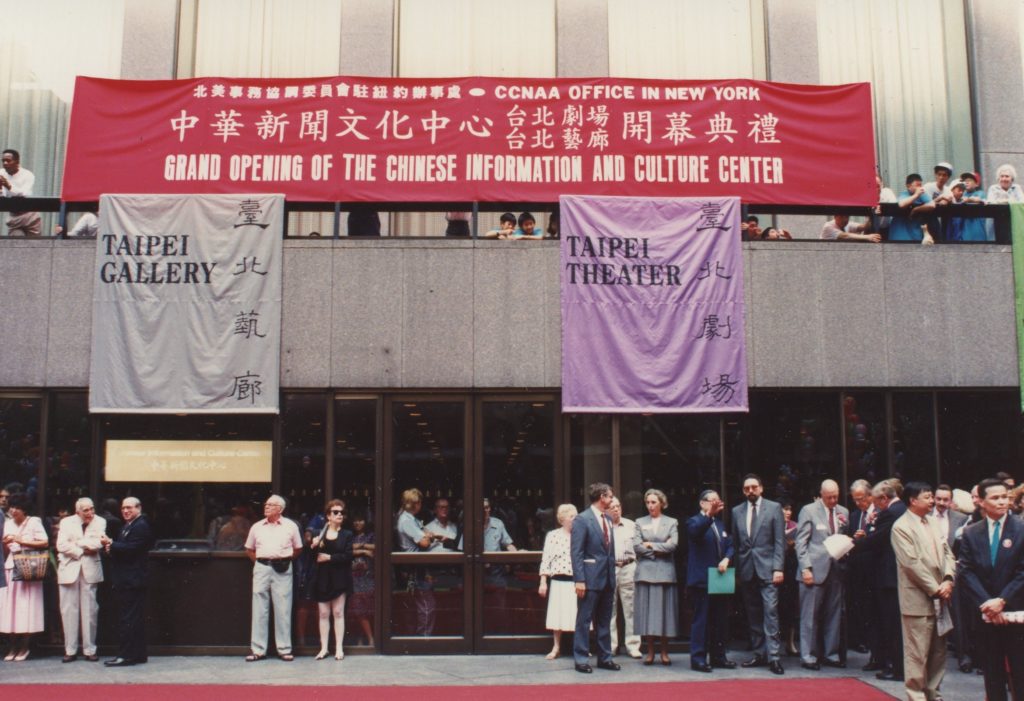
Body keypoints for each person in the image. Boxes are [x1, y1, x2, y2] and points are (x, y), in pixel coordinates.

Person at [958, 478, 1024, 701]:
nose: (1001, 502)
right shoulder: (971, 532)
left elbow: (1022, 572)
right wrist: (988, 604)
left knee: (1020, 672)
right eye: (995, 498)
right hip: (986, 613)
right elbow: (966, 571)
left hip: (1016, 611)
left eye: (1005, 497)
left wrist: (1002, 600)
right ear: (982, 503)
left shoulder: (1021, 528)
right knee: (992, 674)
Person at [891, 481, 956, 701]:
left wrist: (948, 579)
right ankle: (916, 697)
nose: (932, 501)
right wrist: (936, 589)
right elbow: (911, 564)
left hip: (941, 596)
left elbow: (948, 553)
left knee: (938, 653)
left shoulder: (933, 523)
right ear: (913, 500)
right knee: (917, 655)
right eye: (927, 497)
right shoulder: (901, 527)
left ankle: (933, 695)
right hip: (918, 600)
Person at [731, 473, 786, 675]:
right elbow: (736, 545)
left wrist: (778, 568)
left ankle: (774, 657)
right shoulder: (737, 511)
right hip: (747, 570)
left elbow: (779, 541)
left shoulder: (773, 508)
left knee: (770, 612)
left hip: (769, 569)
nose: (750, 491)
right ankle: (759, 653)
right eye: (747, 488)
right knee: (753, 614)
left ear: (761, 488)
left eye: (754, 487)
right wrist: (737, 571)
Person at [852, 480, 908, 681]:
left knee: (891, 625)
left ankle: (897, 669)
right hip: (889, 575)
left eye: (877, 501)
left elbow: (877, 539)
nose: (875, 505)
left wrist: (855, 543)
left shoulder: (891, 512)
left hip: (888, 576)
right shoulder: (900, 509)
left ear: (884, 498)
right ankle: (894, 665)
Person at [795, 479, 848, 670]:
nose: (833, 500)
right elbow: (801, 543)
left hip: (836, 569)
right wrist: (805, 568)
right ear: (821, 494)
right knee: (810, 615)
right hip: (814, 569)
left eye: (835, 496)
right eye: (829, 497)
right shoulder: (808, 510)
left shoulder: (843, 512)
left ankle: (831, 654)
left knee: (833, 614)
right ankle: (808, 655)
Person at [243, 494, 302, 662]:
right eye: (266, 504)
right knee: (259, 608)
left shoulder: (290, 526)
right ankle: (258, 650)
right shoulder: (257, 527)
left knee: (283, 608)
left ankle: (284, 649)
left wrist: (284, 560)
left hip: (282, 569)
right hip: (262, 567)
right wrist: (261, 563)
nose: (266, 507)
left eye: (271, 504)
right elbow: (249, 549)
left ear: (280, 509)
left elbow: (298, 548)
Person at [570, 482, 619, 674]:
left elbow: (609, 551)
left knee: (604, 621)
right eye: (610, 496)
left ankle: (605, 658)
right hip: (589, 579)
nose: (612, 499)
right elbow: (576, 552)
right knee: (584, 619)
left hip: (607, 578)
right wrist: (579, 580)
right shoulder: (582, 519)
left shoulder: (607, 518)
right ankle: (581, 659)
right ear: (601, 497)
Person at [99, 496, 153, 667]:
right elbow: (125, 548)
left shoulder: (140, 526)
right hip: (128, 579)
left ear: (139, 508)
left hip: (132, 580)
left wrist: (111, 544)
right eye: (123, 508)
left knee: (128, 619)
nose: (125, 511)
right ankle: (137, 654)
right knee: (132, 618)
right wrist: (112, 547)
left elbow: (132, 548)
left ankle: (126, 655)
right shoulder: (129, 526)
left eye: (129, 507)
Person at [686, 489, 734, 673]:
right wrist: (708, 515)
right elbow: (695, 533)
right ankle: (698, 659)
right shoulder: (695, 521)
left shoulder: (721, 524)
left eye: (717, 501)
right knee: (702, 620)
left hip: (720, 578)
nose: (715, 504)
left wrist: (727, 558)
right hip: (702, 579)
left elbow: (730, 544)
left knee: (720, 619)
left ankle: (719, 656)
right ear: (702, 503)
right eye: (711, 501)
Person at [56, 497, 106, 663]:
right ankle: (70, 650)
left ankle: (90, 649)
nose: (90, 513)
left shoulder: (100, 521)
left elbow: (98, 543)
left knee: (90, 611)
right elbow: (61, 545)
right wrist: (82, 549)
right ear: (77, 511)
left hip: (90, 570)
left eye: (92, 509)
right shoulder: (66, 522)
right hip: (69, 569)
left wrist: (77, 543)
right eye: (86, 510)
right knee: (68, 610)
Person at [633, 488, 679, 666]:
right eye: (648, 502)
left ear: (662, 503)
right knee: (648, 614)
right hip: (645, 573)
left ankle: (664, 652)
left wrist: (650, 545)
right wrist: (659, 549)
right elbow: (637, 546)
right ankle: (650, 651)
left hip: (665, 574)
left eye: (654, 502)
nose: (650, 506)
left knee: (664, 614)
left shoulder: (671, 522)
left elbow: (673, 545)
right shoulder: (639, 522)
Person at [0, 493, 47, 660]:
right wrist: (6, 543)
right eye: (11, 507)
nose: (13, 510)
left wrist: (20, 541)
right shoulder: (7, 523)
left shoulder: (34, 521)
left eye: (17, 507)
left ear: (24, 509)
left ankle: (24, 647)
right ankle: (12, 647)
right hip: (11, 567)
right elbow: (5, 549)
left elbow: (44, 542)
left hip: (28, 569)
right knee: (10, 610)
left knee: (26, 609)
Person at [307, 499, 353, 661]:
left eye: (342, 512)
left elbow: (348, 556)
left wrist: (329, 557)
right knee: (324, 613)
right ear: (328, 516)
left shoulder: (347, 534)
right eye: (335, 512)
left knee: (338, 613)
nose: (339, 514)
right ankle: (324, 648)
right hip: (323, 577)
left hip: (340, 577)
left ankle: (339, 648)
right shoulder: (319, 534)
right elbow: (312, 557)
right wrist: (313, 546)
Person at [538, 503, 578, 660]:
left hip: (576, 581)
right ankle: (556, 647)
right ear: (562, 519)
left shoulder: (580, 535)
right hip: (558, 580)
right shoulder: (553, 536)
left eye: (576, 516)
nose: (574, 519)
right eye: (571, 516)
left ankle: (580, 647)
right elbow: (546, 559)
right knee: (557, 615)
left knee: (577, 614)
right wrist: (543, 582)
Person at [395, 488, 436, 636]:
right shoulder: (406, 521)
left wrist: (426, 535)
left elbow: (425, 533)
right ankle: (424, 639)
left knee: (421, 604)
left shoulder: (410, 519)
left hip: (417, 566)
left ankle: (421, 636)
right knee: (426, 605)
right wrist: (428, 536)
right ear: (416, 504)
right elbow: (424, 542)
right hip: (416, 566)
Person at [608, 497, 641, 659]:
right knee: (609, 609)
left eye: (618, 506)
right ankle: (611, 645)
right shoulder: (603, 526)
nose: (616, 509)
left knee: (631, 608)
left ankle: (633, 645)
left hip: (629, 567)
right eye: (612, 507)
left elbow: (640, 547)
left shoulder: (631, 525)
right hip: (610, 569)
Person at [847, 479, 877, 659]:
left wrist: (867, 537)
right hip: (857, 568)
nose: (859, 503)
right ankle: (859, 640)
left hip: (873, 568)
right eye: (855, 500)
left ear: (870, 495)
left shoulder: (879, 514)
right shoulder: (854, 516)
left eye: (861, 499)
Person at [0, 149, 41, 237]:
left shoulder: (27, 175)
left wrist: (8, 186)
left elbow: (24, 193)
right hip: (14, 216)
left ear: (17, 161)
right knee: (16, 243)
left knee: (35, 245)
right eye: (3, 161)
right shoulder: (1, 173)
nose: (5, 163)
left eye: (8, 161)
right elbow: (3, 195)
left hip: (30, 215)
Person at [349, 512, 375, 647]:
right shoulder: (350, 536)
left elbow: (377, 547)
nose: (357, 523)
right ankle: (366, 638)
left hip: (368, 576)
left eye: (360, 520)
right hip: (354, 577)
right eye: (355, 521)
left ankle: (367, 638)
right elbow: (347, 549)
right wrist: (364, 550)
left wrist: (357, 547)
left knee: (366, 608)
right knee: (358, 609)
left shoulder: (371, 535)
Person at [889, 173, 936, 244]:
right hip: (901, 231)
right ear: (908, 186)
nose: (920, 188)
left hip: (914, 231)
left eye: (920, 185)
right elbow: (901, 204)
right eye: (917, 185)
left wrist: (916, 209)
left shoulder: (922, 194)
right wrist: (916, 195)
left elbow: (932, 205)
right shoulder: (905, 194)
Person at [779, 501, 800, 656]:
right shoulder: (774, 524)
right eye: (785, 509)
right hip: (778, 568)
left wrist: (794, 545)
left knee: (791, 607)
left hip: (791, 569)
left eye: (790, 509)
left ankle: (790, 642)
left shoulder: (795, 525)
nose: (788, 512)